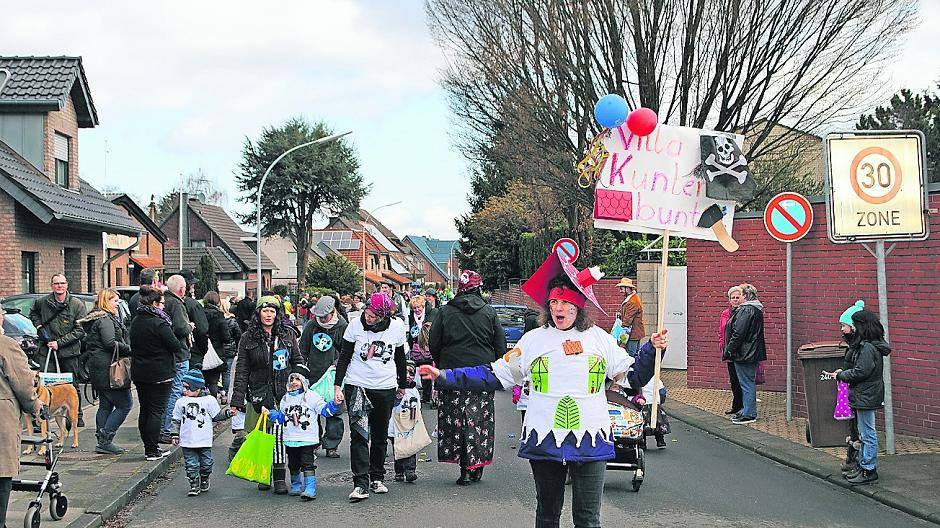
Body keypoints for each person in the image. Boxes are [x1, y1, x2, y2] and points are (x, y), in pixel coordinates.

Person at [419, 250, 665, 528]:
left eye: (566, 303)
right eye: (554, 302)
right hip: (546, 438)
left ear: (579, 307)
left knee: (588, 519)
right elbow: (494, 374)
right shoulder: (533, 340)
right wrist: (446, 376)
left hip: (591, 439)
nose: (559, 308)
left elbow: (632, 377)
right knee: (547, 515)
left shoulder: (600, 340)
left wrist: (652, 351)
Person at [427, 270, 506, 486]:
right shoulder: (489, 312)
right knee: (479, 421)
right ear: (479, 288)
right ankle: (476, 465)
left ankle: (463, 468)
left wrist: (443, 365)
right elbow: (500, 345)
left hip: (452, 374)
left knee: (456, 422)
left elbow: (434, 343)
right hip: (482, 375)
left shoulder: (444, 312)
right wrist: (496, 369)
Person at [333, 292, 408, 503]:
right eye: (368, 313)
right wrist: (337, 385)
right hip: (357, 385)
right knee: (358, 435)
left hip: (384, 386)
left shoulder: (396, 328)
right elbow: (345, 356)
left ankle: (377, 477)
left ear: (384, 316)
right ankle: (360, 483)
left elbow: (400, 358)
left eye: (374, 316)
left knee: (380, 435)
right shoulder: (355, 325)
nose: (369, 318)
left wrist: (402, 385)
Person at [230, 296, 304, 494]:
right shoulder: (248, 337)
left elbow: (296, 361)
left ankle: (279, 477)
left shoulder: (288, 334)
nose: (268, 315)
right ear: (258, 313)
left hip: (283, 392)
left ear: (277, 313)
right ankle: (264, 473)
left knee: (279, 436)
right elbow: (242, 370)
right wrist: (236, 400)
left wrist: (300, 386)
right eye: (265, 311)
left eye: (272, 311)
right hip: (259, 393)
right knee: (263, 434)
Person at [824, 302, 890, 485]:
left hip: (866, 394)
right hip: (865, 394)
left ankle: (869, 469)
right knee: (865, 432)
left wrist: (842, 375)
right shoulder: (866, 346)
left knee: (868, 433)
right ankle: (864, 466)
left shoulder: (867, 348)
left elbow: (862, 371)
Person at [1, 307, 43, 528]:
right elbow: (24, 383)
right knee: (2, 471)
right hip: (1, 417)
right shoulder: (6, 345)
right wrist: (35, 405)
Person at [130, 285, 181, 460]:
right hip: (160, 373)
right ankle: (152, 450)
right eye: (162, 303)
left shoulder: (136, 320)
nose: (163, 306)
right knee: (156, 411)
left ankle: (148, 447)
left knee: (145, 410)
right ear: (154, 303)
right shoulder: (159, 323)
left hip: (140, 372)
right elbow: (175, 345)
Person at [30, 273, 88, 427]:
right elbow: (33, 313)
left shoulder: (77, 304)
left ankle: (76, 415)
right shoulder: (42, 302)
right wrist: (39, 326)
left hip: (69, 353)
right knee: (45, 385)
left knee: (71, 385)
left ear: (67, 285)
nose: (59, 286)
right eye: (56, 283)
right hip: (46, 351)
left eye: (62, 283)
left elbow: (80, 330)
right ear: (52, 286)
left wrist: (59, 343)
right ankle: (41, 415)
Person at [79, 288, 133, 455]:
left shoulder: (99, 319)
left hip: (99, 368)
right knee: (125, 404)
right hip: (109, 369)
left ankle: (101, 439)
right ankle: (106, 438)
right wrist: (130, 349)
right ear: (106, 301)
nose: (118, 304)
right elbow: (110, 343)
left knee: (106, 405)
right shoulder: (105, 320)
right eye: (115, 301)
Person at [280, 364, 341, 500]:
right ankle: (296, 484)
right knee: (293, 463)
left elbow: (324, 411)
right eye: (292, 379)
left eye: (297, 379)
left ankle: (310, 487)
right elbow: (282, 416)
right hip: (291, 438)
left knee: (307, 462)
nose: (294, 382)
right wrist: (275, 415)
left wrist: (334, 404)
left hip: (307, 438)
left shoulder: (313, 396)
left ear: (305, 381)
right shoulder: (285, 398)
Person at [299, 295, 348, 458]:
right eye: (319, 316)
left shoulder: (342, 326)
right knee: (312, 411)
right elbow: (303, 349)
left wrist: (338, 363)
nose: (321, 319)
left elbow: (347, 351)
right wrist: (301, 370)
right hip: (314, 374)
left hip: (334, 375)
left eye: (324, 316)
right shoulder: (312, 325)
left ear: (333, 311)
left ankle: (332, 445)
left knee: (334, 411)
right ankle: (313, 441)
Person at [171, 369, 230, 496]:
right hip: (187, 440)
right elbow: (175, 420)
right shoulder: (180, 402)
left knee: (206, 463)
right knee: (191, 464)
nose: (184, 390)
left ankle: (204, 478)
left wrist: (227, 413)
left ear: (197, 388)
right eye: (183, 387)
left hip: (204, 440)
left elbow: (216, 415)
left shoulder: (208, 400)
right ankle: (193, 484)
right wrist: (175, 434)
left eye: (187, 387)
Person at [722, 283, 767, 425]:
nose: (738, 297)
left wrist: (729, 349)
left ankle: (749, 413)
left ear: (745, 296)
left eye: (740, 294)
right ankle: (747, 409)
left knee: (746, 383)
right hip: (749, 352)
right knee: (747, 382)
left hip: (745, 353)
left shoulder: (746, 310)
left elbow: (739, 333)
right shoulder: (754, 309)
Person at [161, 275, 193, 442]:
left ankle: (163, 427)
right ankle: (167, 428)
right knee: (176, 391)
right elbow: (181, 328)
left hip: (168, 354)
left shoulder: (164, 300)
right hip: (179, 354)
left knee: (168, 392)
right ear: (182, 289)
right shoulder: (177, 303)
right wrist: (189, 326)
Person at [389, 361, 421, 483]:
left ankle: (410, 470)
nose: (407, 376)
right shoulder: (394, 388)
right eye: (403, 373)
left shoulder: (414, 390)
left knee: (410, 447)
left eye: (411, 373)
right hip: (396, 422)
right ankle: (399, 470)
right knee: (398, 447)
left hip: (410, 422)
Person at [202, 292, 233, 399]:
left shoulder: (199, 313)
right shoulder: (219, 316)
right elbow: (226, 337)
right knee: (213, 381)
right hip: (216, 352)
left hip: (200, 351)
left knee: (202, 380)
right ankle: (213, 403)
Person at [407, 295, 437, 404]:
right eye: (414, 308)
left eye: (419, 307)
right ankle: (415, 394)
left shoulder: (432, 314)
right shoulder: (411, 317)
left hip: (427, 347)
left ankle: (427, 396)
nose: (417, 310)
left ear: (423, 306)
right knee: (415, 371)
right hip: (415, 346)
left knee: (426, 371)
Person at [719, 286, 744, 415]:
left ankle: (744, 406)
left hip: (740, 352)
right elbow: (721, 331)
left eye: (737, 297)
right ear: (729, 300)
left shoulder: (744, 312)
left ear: (742, 298)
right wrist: (722, 346)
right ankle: (736, 405)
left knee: (742, 380)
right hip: (729, 351)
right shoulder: (725, 313)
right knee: (733, 380)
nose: (735, 300)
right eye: (733, 298)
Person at [219, 296, 242, 398]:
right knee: (227, 373)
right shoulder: (232, 321)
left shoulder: (216, 319)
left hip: (217, 350)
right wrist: (237, 348)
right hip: (229, 350)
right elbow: (238, 335)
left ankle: (216, 392)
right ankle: (225, 395)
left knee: (216, 373)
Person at [616, 277, 645, 355]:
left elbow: (627, 320)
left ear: (627, 288)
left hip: (632, 333)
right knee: (635, 354)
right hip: (634, 332)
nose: (620, 291)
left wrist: (618, 333)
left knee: (630, 355)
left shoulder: (632, 301)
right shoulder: (631, 298)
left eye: (621, 288)